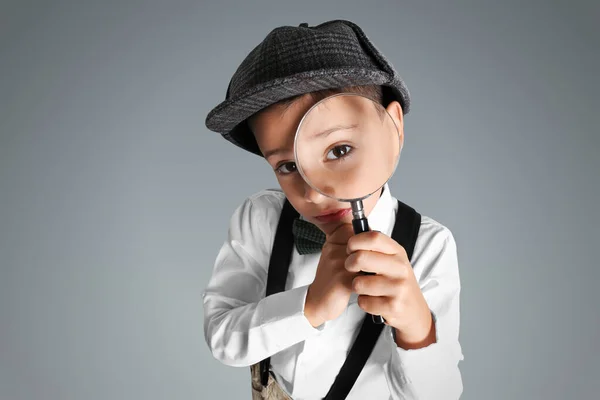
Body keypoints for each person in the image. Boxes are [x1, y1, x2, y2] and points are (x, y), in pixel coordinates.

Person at [202, 19, 464, 399]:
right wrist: (310, 305)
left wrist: (417, 328)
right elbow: (222, 336)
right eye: (288, 166)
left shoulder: (429, 245)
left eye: (338, 150)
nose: (315, 190)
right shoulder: (260, 219)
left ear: (394, 128)